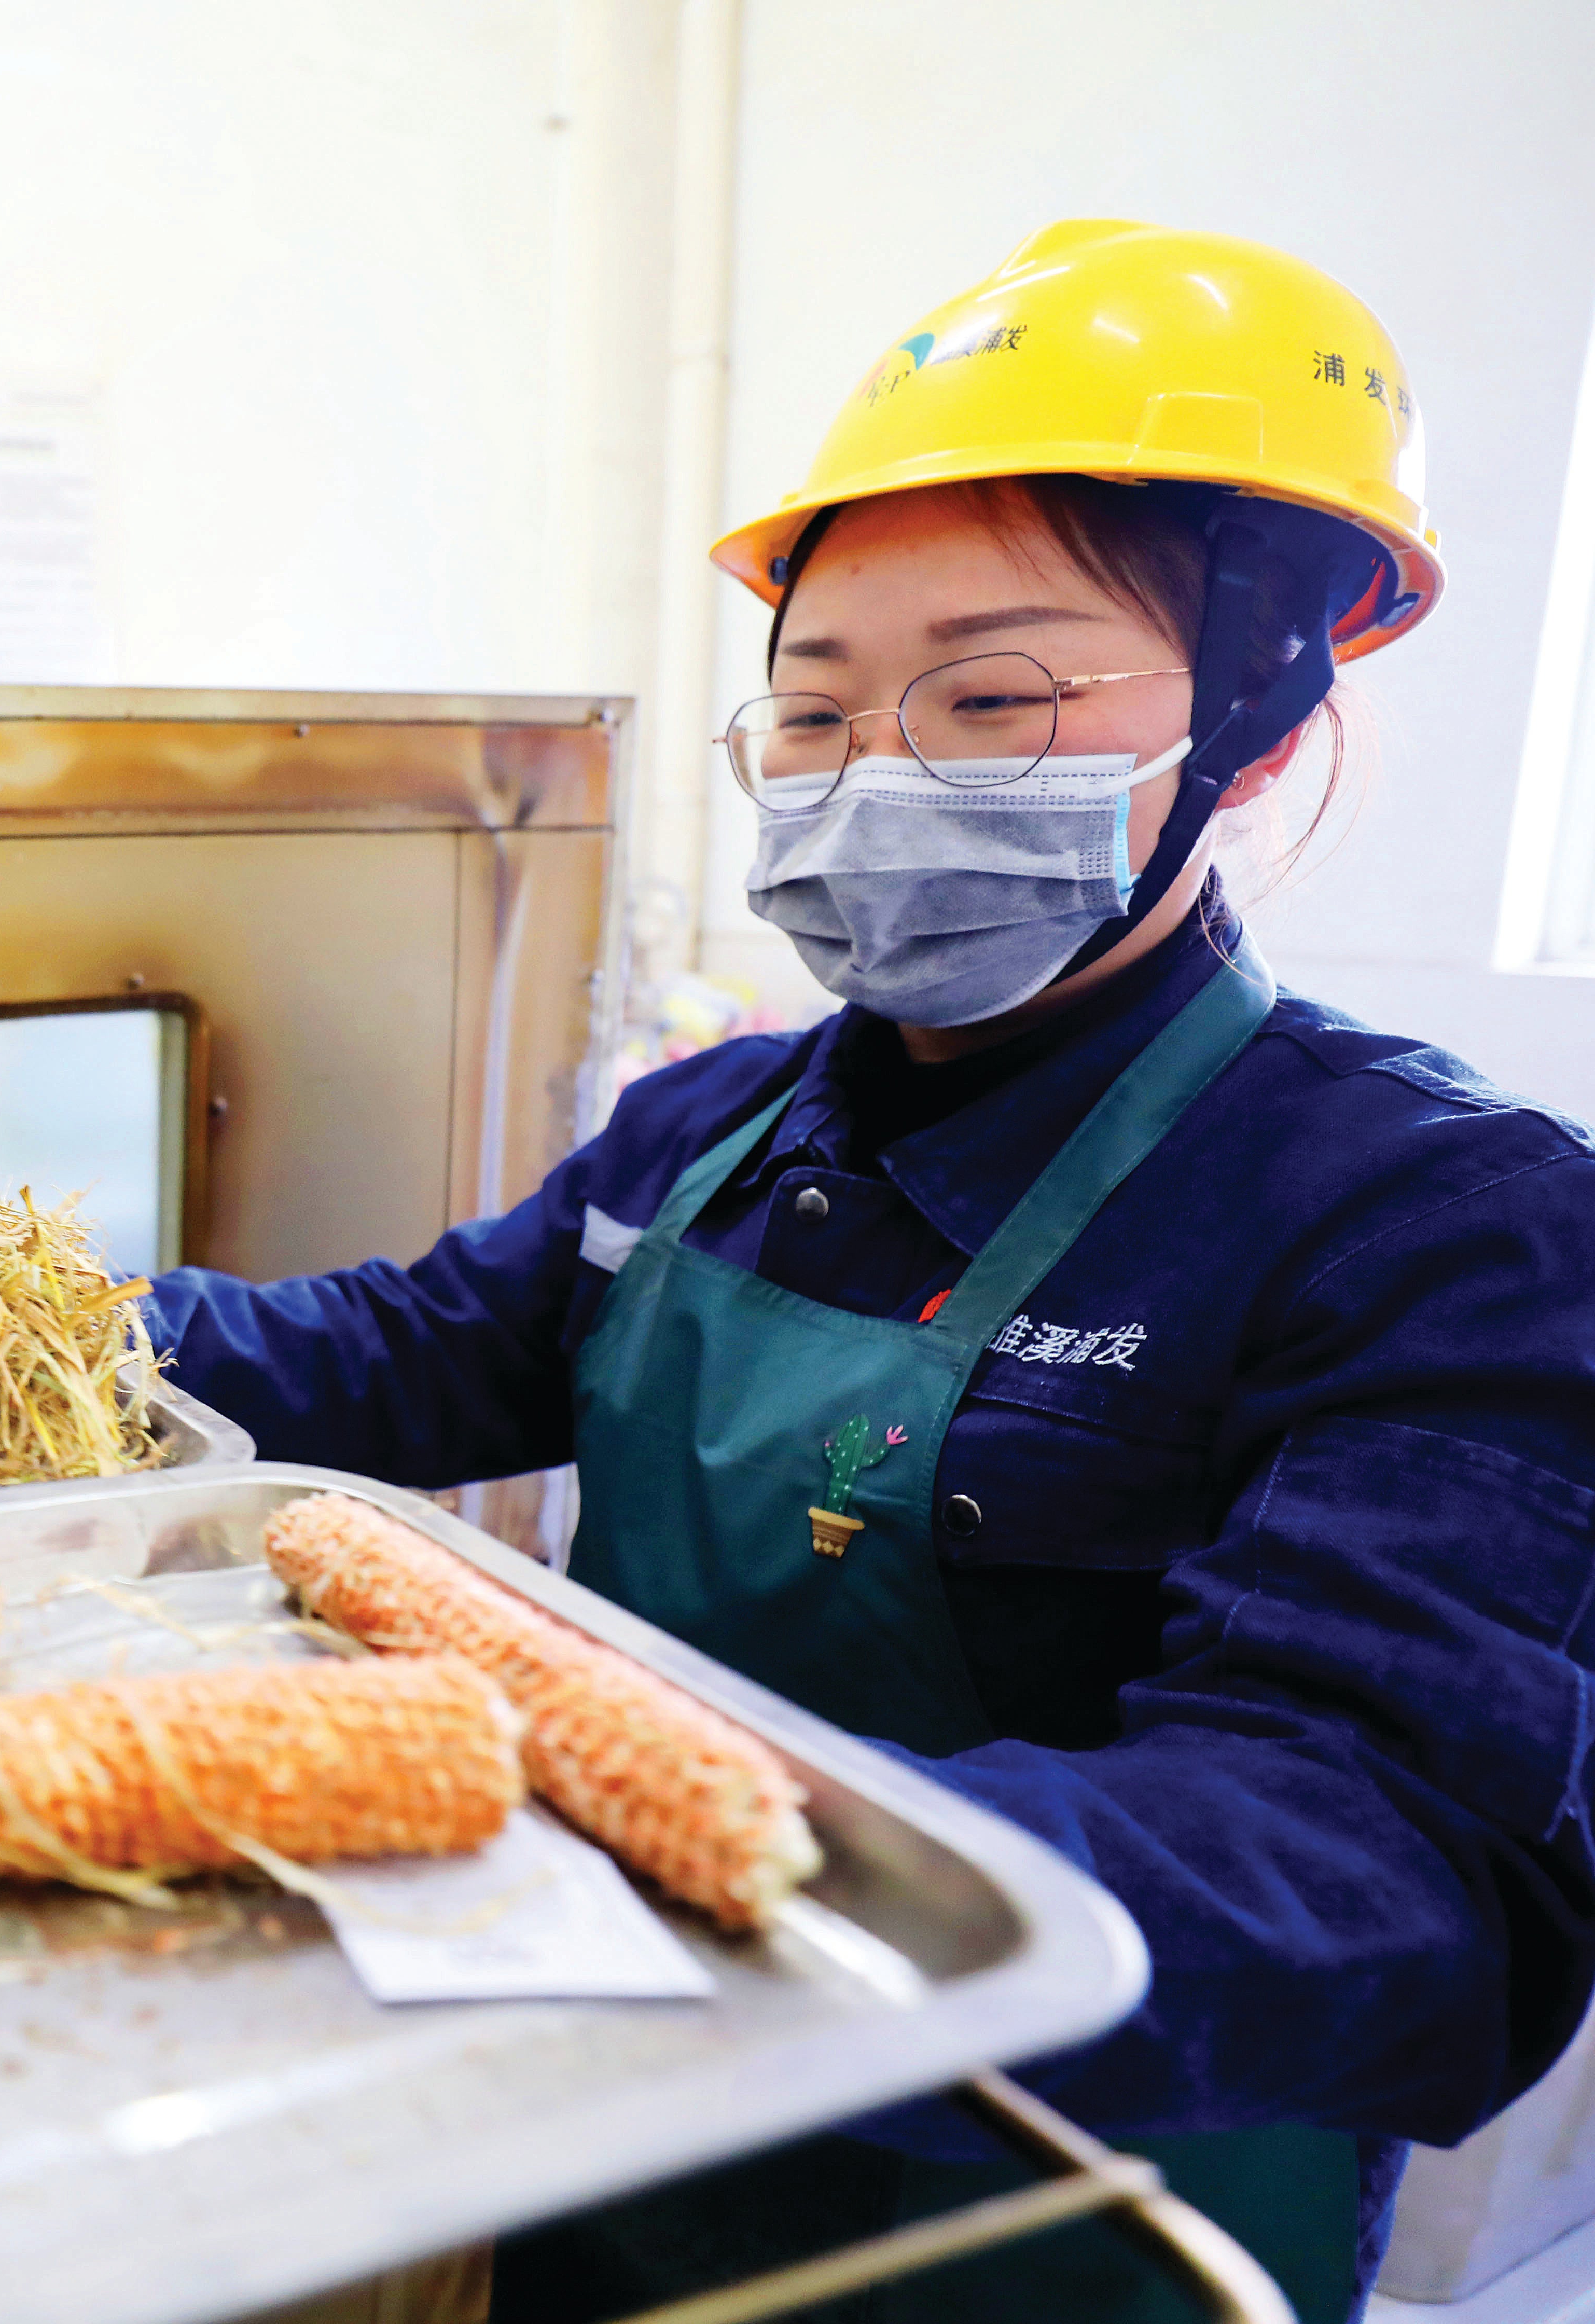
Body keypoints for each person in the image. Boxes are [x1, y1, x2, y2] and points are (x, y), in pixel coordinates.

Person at [150, 220, 1595, 2323]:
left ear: (1264, 722)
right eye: (814, 714)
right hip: (616, 2157)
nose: (875, 772)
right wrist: (13, 1327)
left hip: (1054, 2227)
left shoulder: (1439, 1227)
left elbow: (1377, 1874)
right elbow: (408, 1354)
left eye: (993, 694)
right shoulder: (715, 1122)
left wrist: (667, 1851)